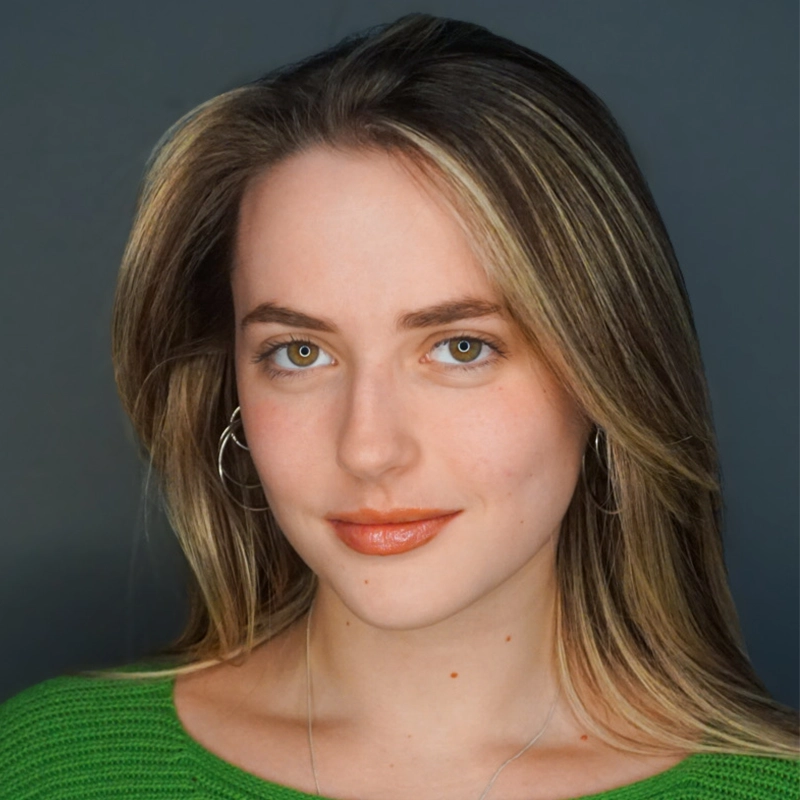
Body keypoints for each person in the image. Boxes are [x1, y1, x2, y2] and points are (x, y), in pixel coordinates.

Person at [0, 12, 797, 800]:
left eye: (461, 347)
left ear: (603, 374)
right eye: (300, 353)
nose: (369, 448)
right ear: (231, 387)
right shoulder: (49, 768)